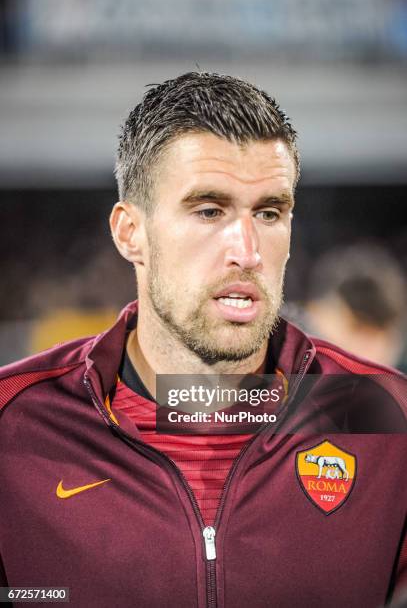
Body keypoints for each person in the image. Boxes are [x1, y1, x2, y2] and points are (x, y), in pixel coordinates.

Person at [0, 72, 406, 608]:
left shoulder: (386, 416)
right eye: (209, 211)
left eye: (268, 212)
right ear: (130, 233)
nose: (247, 250)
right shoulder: (12, 423)